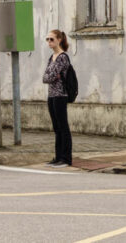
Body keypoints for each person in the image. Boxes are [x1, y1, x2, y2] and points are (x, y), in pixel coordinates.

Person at [42, 29, 72, 168]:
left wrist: (52, 76)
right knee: (56, 128)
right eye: (47, 39)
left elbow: (50, 76)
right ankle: (58, 156)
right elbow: (45, 77)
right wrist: (51, 76)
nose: (49, 42)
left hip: (60, 95)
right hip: (51, 95)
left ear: (59, 40)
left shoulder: (62, 57)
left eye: (52, 39)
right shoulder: (51, 57)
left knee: (63, 127)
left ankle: (66, 158)